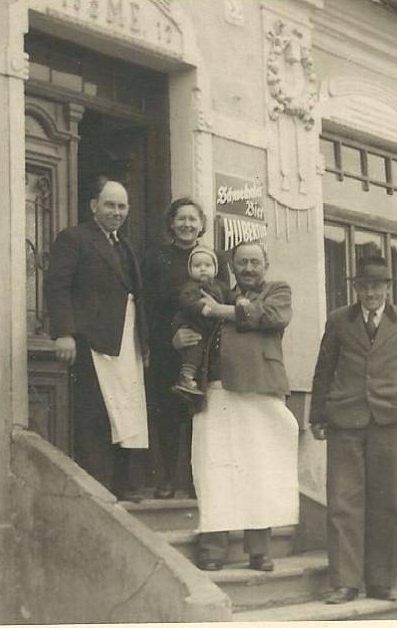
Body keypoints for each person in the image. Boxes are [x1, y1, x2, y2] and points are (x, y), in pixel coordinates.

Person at [309, 255, 397, 604]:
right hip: (345, 421)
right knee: (343, 503)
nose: (371, 292)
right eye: (364, 286)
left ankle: (380, 582)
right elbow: (323, 371)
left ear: (388, 289)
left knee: (385, 503)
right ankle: (345, 582)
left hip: (389, 423)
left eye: (378, 286)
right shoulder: (339, 321)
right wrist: (318, 415)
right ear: (356, 288)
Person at [184, 240, 299, 572]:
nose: (249, 268)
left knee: (258, 469)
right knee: (214, 467)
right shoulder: (218, 292)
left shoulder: (278, 291)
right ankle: (213, 548)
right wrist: (178, 334)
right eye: (242, 263)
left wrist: (223, 312)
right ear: (231, 267)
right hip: (217, 389)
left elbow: (272, 316)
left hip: (260, 389)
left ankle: (259, 550)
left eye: (255, 262)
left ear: (266, 264)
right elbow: (192, 320)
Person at [44, 179, 148, 503]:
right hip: (93, 341)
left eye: (122, 207)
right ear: (94, 206)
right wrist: (64, 332)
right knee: (97, 415)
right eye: (110, 205)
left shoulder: (125, 246)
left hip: (124, 342)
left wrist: (143, 342)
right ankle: (99, 487)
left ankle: (122, 484)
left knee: (127, 413)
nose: (116, 212)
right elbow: (57, 286)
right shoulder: (75, 238)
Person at [142, 198, 230, 499]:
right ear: (171, 222)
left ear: (201, 224)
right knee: (167, 412)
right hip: (171, 346)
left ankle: (196, 480)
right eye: (181, 219)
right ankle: (166, 478)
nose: (187, 225)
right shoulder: (157, 258)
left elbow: (223, 302)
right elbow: (149, 306)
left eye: (193, 219)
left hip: (204, 346)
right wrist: (170, 337)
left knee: (200, 413)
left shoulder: (215, 258)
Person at [170, 245, 233, 402]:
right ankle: (186, 377)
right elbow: (187, 301)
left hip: (211, 330)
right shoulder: (191, 287)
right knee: (195, 348)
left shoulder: (221, 287)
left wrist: (239, 302)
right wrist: (201, 307)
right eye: (197, 266)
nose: (203, 269)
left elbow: (231, 298)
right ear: (190, 270)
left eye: (207, 265)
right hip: (195, 324)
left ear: (215, 269)